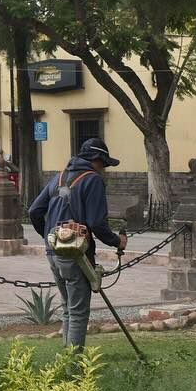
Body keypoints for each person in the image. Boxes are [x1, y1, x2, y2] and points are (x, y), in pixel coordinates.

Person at [28, 138, 128, 349]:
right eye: (104, 164)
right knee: (79, 312)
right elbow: (96, 223)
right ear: (97, 159)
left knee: (68, 308)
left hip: (53, 251)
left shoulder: (58, 177)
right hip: (76, 255)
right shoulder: (92, 180)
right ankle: (74, 367)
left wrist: (49, 236)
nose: (104, 169)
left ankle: (66, 361)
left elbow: (34, 211)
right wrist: (117, 241)